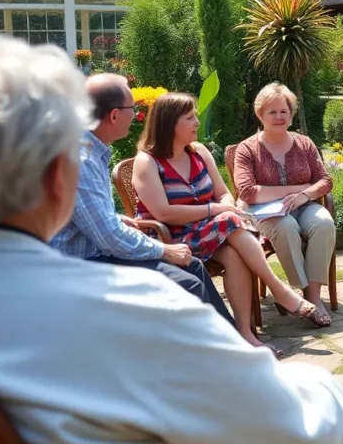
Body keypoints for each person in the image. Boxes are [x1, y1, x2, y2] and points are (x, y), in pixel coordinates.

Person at [0, 37, 343, 444]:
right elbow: (294, 434)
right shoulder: (138, 307)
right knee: (340, 425)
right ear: (60, 178)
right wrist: (319, 386)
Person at [132, 92, 321, 353]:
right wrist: (215, 209)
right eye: (190, 117)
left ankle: (244, 334)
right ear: (169, 123)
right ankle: (280, 291)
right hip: (169, 237)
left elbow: (223, 193)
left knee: (234, 254)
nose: (197, 122)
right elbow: (163, 213)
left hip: (206, 231)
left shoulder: (198, 152)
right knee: (230, 220)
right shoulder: (147, 162)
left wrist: (224, 206)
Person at [50, 73, 235, 328]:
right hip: (78, 266)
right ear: (114, 115)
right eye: (132, 108)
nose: (136, 114)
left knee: (192, 267)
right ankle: (214, 356)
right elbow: (109, 238)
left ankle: (233, 344)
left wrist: (115, 217)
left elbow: (88, 215)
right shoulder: (81, 160)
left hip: (96, 255)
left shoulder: (92, 150)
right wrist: (165, 250)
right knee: (187, 284)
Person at [234, 83, 335, 328]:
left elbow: (325, 180)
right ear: (260, 115)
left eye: (283, 111)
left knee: (323, 223)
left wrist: (305, 195)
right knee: (286, 226)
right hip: (264, 212)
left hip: (303, 204)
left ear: (290, 114)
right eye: (272, 112)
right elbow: (247, 192)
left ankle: (312, 298)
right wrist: (295, 189)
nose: (279, 117)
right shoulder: (246, 149)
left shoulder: (305, 144)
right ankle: (293, 295)